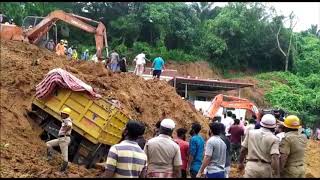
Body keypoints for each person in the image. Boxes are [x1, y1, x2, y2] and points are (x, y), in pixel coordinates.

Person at [238, 114, 280, 178]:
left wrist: (240, 163)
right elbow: (275, 157)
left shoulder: (251, 133)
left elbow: (243, 150)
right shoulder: (275, 139)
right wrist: (276, 174)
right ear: (273, 126)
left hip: (251, 167)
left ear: (261, 123)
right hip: (266, 168)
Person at [46, 107, 73, 172]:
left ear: (67, 115)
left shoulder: (68, 120)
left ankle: (62, 170)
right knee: (48, 144)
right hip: (61, 139)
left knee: (65, 158)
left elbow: (69, 126)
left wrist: (65, 132)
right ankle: (50, 158)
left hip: (64, 139)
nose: (61, 114)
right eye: (62, 113)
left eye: (63, 113)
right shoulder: (65, 120)